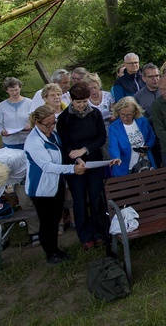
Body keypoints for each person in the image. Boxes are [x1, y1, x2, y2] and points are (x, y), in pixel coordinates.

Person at [25, 106, 86, 264]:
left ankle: (55, 249)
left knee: (56, 216)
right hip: (41, 188)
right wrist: (72, 169)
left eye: (54, 122)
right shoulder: (34, 142)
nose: (52, 127)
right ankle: (51, 254)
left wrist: (75, 159)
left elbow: (61, 153)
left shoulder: (52, 134)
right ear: (37, 123)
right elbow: (47, 166)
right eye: (48, 124)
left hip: (56, 183)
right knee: (47, 221)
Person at [57, 83, 109, 251]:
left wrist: (85, 150)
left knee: (96, 197)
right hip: (75, 164)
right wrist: (77, 157)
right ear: (71, 100)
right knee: (79, 199)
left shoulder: (95, 113)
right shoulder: (65, 119)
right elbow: (64, 143)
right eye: (78, 102)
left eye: (85, 101)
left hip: (94, 160)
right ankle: (85, 235)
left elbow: (101, 137)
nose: (82, 105)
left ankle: (100, 231)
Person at [0, 148, 40, 246]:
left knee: (25, 202)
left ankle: (35, 231)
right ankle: (2, 237)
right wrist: (7, 197)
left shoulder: (17, 158)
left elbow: (31, 172)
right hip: (0, 179)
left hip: (24, 176)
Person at [108, 97, 157, 177]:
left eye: (128, 115)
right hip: (126, 166)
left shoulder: (143, 121)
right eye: (122, 114)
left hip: (145, 163)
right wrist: (116, 157)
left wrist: (147, 146)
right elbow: (113, 146)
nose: (125, 118)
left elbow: (151, 136)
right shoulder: (114, 127)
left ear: (135, 112)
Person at [133, 63, 162, 167]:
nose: (155, 79)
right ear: (144, 78)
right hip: (153, 138)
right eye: (151, 77)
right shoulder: (138, 97)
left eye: (157, 75)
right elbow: (139, 121)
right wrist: (154, 117)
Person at [0, 77, 32, 149]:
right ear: (7, 90)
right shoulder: (1, 106)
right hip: (9, 143)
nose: (14, 93)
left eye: (16, 90)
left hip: (27, 140)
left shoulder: (30, 103)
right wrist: (3, 132)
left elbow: (36, 120)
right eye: (11, 91)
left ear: (20, 88)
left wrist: (30, 126)